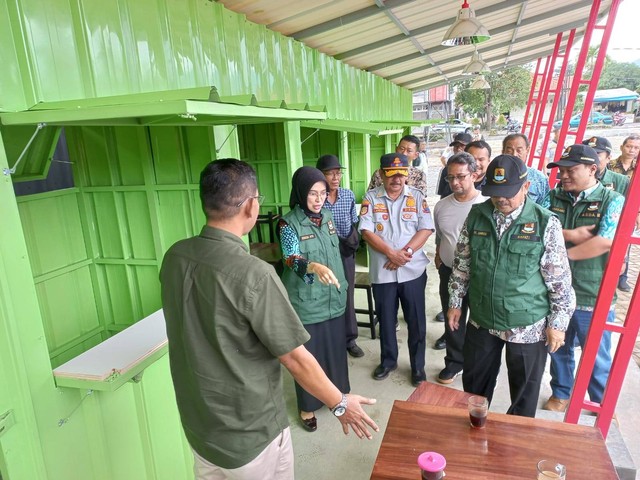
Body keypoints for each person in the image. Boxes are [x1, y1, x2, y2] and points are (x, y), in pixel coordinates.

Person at [160, 159, 378, 479]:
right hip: (250, 432)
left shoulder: (176, 256)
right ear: (250, 206)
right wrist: (340, 403)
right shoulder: (253, 273)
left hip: (200, 426)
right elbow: (294, 357)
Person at [448, 155, 575, 417]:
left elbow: (560, 282)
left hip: (526, 324)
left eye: (508, 193)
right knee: (474, 387)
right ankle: (474, 434)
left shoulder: (544, 222)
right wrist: (455, 302)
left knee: (524, 393)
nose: (501, 199)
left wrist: (557, 325)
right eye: (495, 194)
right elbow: (463, 263)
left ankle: (515, 446)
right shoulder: (478, 215)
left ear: (526, 186)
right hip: (483, 319)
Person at [542, 145, 624, 413]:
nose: (563, 176)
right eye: (561, 171)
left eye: (570, 170)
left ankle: (598, 402)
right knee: (558, 346)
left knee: (596, 355)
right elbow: (541, 230)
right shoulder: (552, 196)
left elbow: (602, 242)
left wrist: (564, 252)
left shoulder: (612, 201)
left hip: (592, 292)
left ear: (592, 169)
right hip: (555, 292)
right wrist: (570, 234)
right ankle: (561, 392)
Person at [278, 166, 350, 432]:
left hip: (333, 297)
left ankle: (335, 395)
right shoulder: (288, 223)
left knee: (334, 351)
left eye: (323, 193)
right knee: (310, 358)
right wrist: (314, 267)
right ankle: (307, 406)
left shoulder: (328, 216)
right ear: (300, 193)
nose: (319, 199)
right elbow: (290, 257)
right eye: (312, 194)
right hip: (307, 301)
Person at [359, 153, 435, 386]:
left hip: (412, 271)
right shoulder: (371, 199)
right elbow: (366, 231)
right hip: (383, 273)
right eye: (391, 175)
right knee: (386, 319)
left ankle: (418, 367)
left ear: (407, 175)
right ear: (381, 174)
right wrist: (391, 254)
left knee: (416, 321)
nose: (396, 180)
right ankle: (388, 361)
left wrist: (405, 254)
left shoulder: (417, 197)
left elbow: (425, 229)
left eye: (401, 175)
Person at [432, 139, 492, 352]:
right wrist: (439, 257)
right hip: (449, 272)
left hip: (479, 275)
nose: (455, 182)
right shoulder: (441, 206)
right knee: (452, 318)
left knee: (479, 323)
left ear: (474, 175)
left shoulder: (487, 206)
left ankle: (474, 361)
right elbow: (441, 235)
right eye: (450, 177)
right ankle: (454, 360)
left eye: (461, 176)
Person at [316, 154, 363, 358]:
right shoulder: (316, 198)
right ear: (321, 176)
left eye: (338, 173)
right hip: (323, 254)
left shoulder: (348, 195)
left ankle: (349, 338)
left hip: (344, 252)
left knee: (347, 294)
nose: (336, 177)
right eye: (330, 173)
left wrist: (353, 241)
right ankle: (330, 338)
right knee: (325, 294)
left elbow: (354, 221)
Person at [607, 134, 640, 292]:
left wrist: (637, 214)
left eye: (636, 147)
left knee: (625, 244)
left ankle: (622, 278)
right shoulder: (611, 165)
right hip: (611, 208)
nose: (632, 150)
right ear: (622, 147)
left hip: (629, 212)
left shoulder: (638, 169)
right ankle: (608, 273)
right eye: (629, 146)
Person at [502, 133, 549, 205]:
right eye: (509, 151)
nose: (514, 155)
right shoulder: (495, 176)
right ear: (503, 152)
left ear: (527, 150)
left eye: (519, 150)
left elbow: (545, 207)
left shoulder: (539, 178)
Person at [437, 132, 473, 198]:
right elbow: (442, 195)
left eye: (462, 146)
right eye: (456, 146)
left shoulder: (477, 170)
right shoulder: (446, 170)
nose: (458, 149)